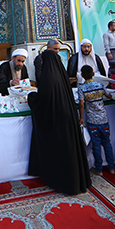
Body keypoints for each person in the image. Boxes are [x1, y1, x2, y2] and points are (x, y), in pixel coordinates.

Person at [28, 50, 90, 195]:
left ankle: (65, 182)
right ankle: (76, 181)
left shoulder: (48, 78)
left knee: (60, 152)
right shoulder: (62, 76)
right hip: (68, 119)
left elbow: (43, 101)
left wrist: (31, 97)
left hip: (57, 121)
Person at [78, 65, 114, 176]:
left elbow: (81, 104)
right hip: (103, 119)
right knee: (107, 143)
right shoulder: (100, 85)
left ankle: (99, 169)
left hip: (92, 120)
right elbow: (109, 96)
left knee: (96, 145)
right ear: (93, 74)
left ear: (82, 75)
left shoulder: (82, 89)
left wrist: (81, 117)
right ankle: (111, 167)